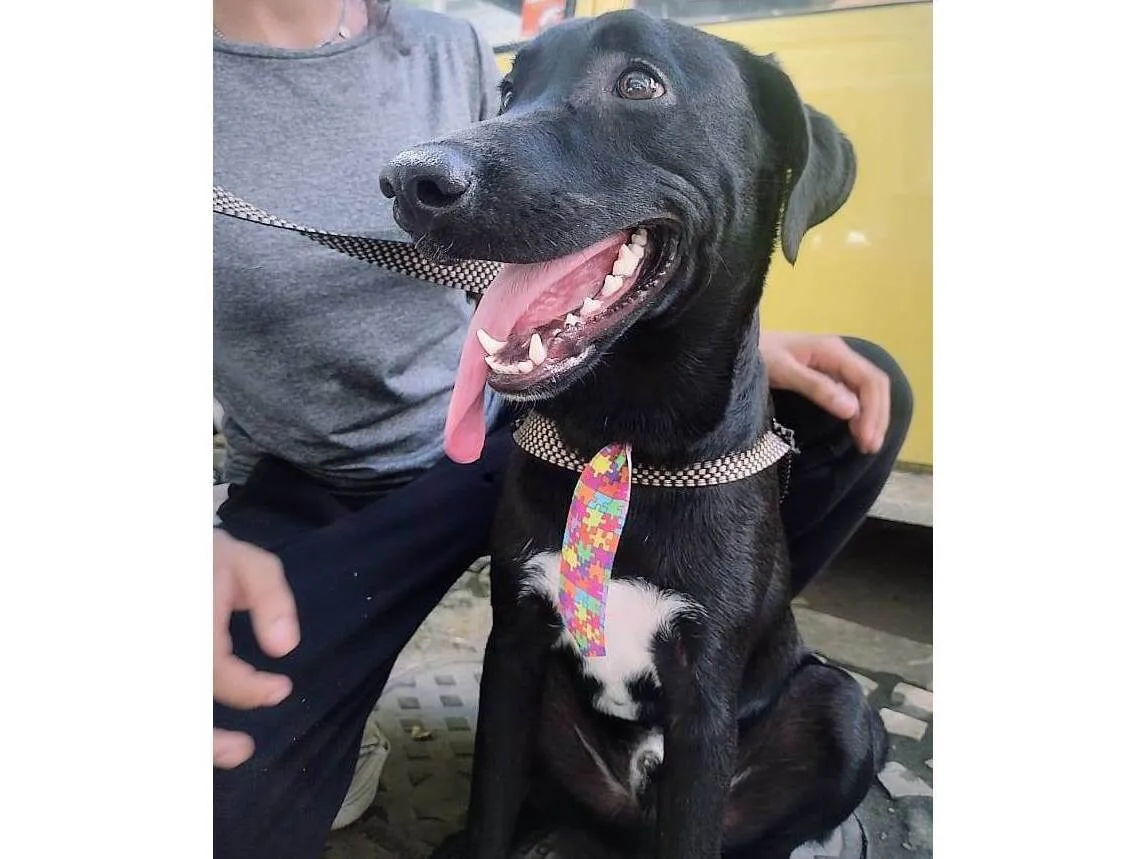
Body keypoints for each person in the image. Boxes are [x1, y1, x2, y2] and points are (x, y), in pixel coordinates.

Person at [212, 2, 914, 857]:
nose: (427, 172)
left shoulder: (448, 41)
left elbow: (570, 219)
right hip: (328, 486)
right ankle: (369, 717)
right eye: (521, 90)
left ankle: (706, 644)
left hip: (503, 434)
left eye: (637, 84)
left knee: (858, 393)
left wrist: (729, 340)